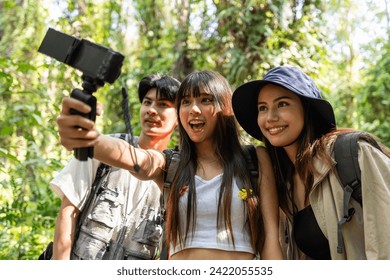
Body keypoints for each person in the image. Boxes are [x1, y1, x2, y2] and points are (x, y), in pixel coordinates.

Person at [56, 70, 283, 260]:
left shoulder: (254, 159)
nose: (193, 109)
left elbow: (271, 238)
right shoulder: (172, 163)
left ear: (225, 107)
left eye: (205, 100)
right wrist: (91, 140)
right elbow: (140, 161)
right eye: (186, 102)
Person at [232, 65, 390, 259]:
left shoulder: (354, 154)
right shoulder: (284, 184)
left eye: (282, 104)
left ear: (307, 110)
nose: (270, 117)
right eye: (262, 108)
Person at [51, 73, 180, 260]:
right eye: (147, 102)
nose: (152, 110)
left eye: (163, 105)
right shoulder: (105, 148)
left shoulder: (176, 173)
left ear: (178, 117)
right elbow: (68, 211)